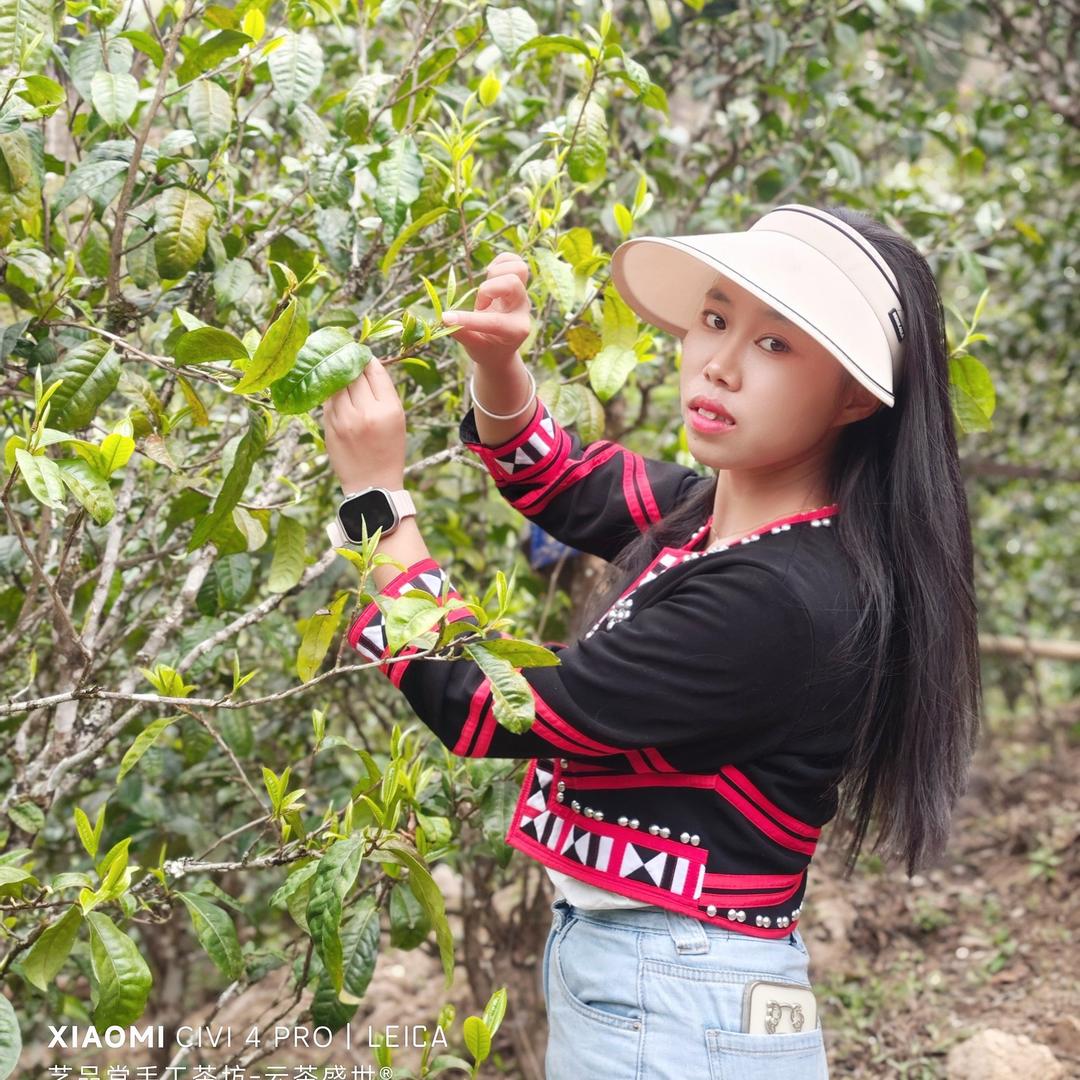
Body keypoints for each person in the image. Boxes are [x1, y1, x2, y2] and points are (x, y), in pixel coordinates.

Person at [319, 202, 982, 1079]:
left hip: (675, 991)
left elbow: (491, 709)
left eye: (776, 345)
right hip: (666, 978)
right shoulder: (720, 513)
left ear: (856, 395)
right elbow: (566, 482)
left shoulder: (779, 601)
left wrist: (374, 505)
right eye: (715, 320)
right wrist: (499, 368)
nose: (720, 364)